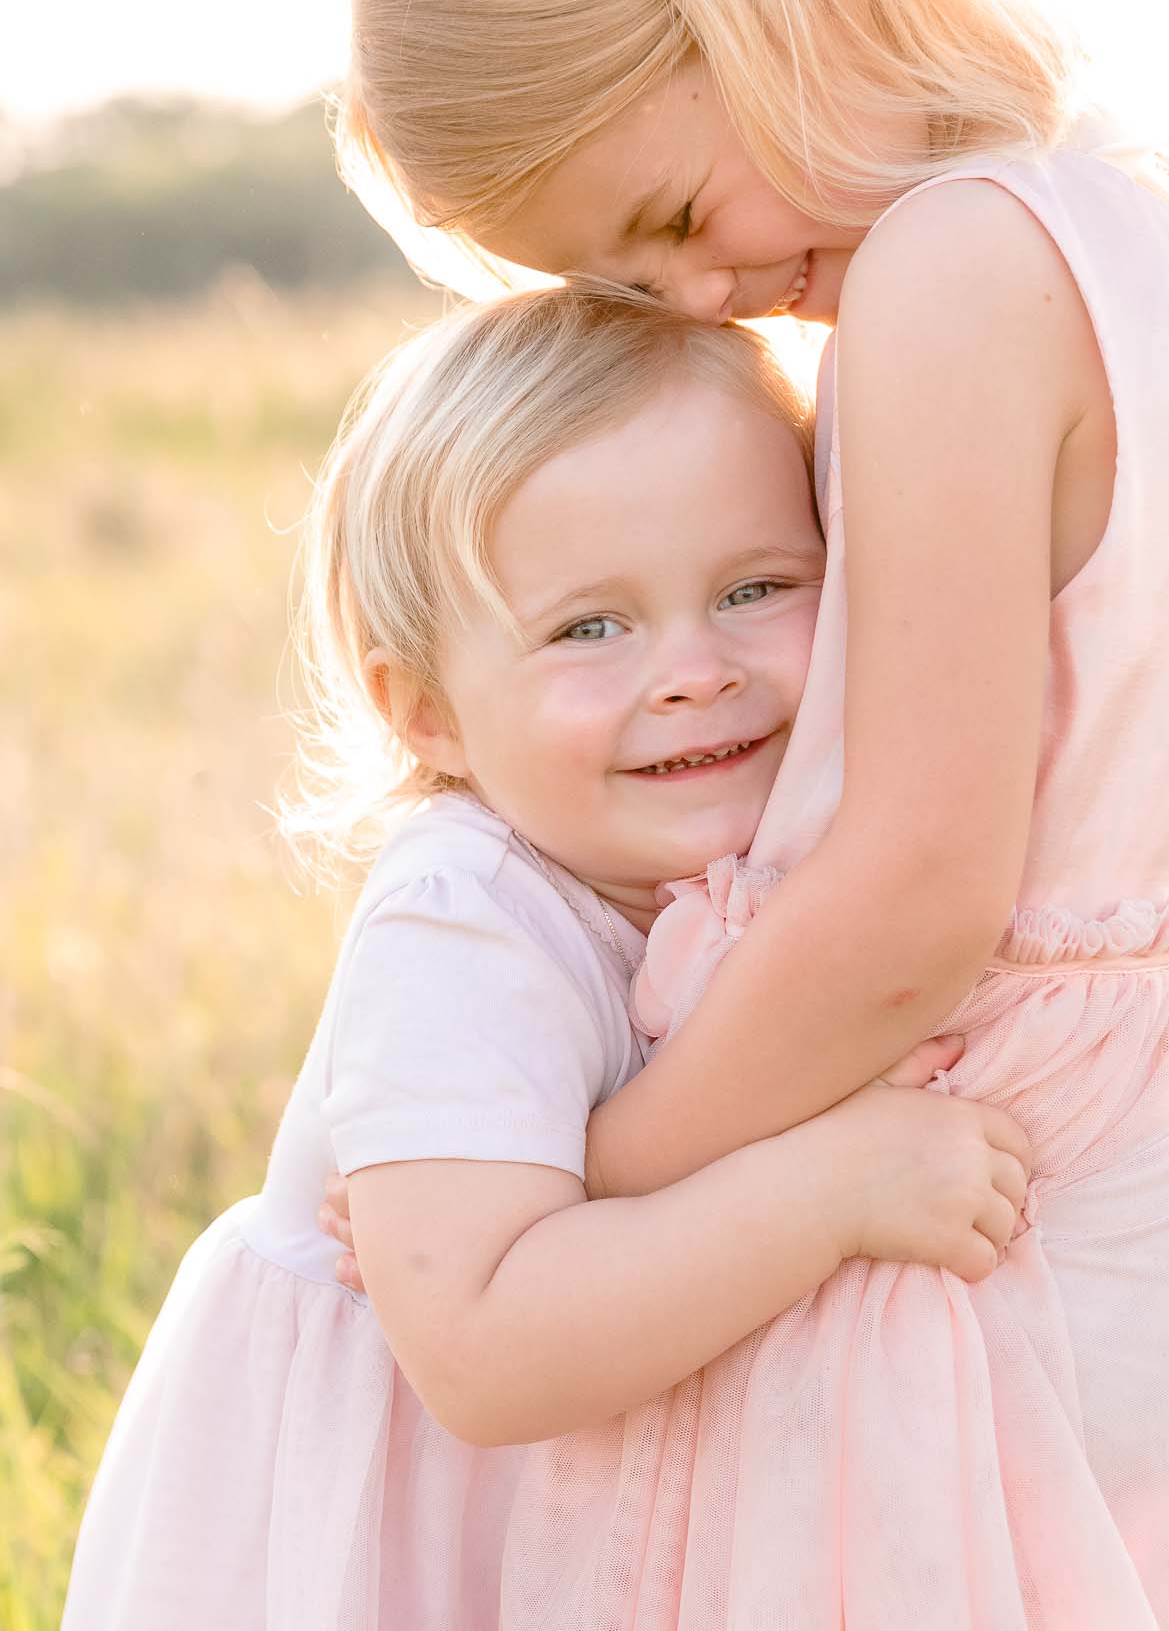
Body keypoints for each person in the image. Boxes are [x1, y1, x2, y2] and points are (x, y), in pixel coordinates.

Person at [323, 0, 1169, 1625]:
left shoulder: (949, 273)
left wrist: (600, 1182)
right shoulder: (1164, 236)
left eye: (672, 223)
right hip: (1135, 1183)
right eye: (635, 288)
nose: (705, 301)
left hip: (960, 1217)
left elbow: (918, 899)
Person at [60, 285, 1040, 1630]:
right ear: (426, 710)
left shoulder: (828, 846)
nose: (693, 670)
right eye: (590, 627)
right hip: (414, 1533)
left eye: (755, 588)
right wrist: (828, 1194)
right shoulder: (463, 922)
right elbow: (487, 1360)